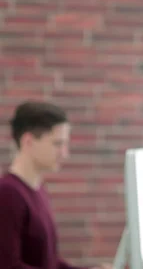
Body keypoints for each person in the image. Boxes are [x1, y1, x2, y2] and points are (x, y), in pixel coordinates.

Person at [0, 101, 112, 269]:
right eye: (57, 144)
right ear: (28, 141)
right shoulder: (7, 194)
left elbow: (49, 263)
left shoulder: (39, 191)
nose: (64, 154)